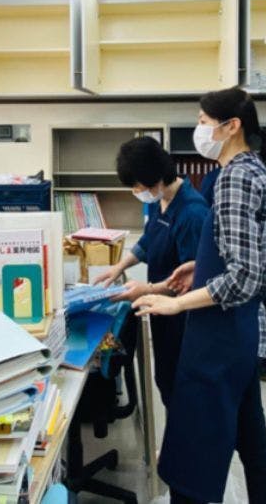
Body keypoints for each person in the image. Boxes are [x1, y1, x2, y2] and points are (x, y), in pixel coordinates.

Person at [134, 86, 266, 504]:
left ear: (231, 126)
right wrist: (198, 268)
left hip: (221, 337)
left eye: (203, 121)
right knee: (252, 441)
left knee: (193, 461)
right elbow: (257, 259)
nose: (198, 130)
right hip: (240, 333)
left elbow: (243, 276)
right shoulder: (256, 171)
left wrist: (176, 303)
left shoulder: (235, 179)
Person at [93, 136, 209, 407]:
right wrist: (119, 266)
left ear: (156, 178)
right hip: (161, 310)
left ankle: (181, 434)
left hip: (184, 317)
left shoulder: (192, 213)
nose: (136, 191)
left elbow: (191, 280)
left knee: (181, 387)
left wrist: (147, 290)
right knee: (165, 379)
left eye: (137, 185)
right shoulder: (161, 200)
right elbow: (148, 242)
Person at [196, 136, 266, 381]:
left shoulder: (224, 177)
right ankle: (265, 366)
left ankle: (249, 367)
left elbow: (207, 221)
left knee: (240, 312)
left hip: (230, 260)